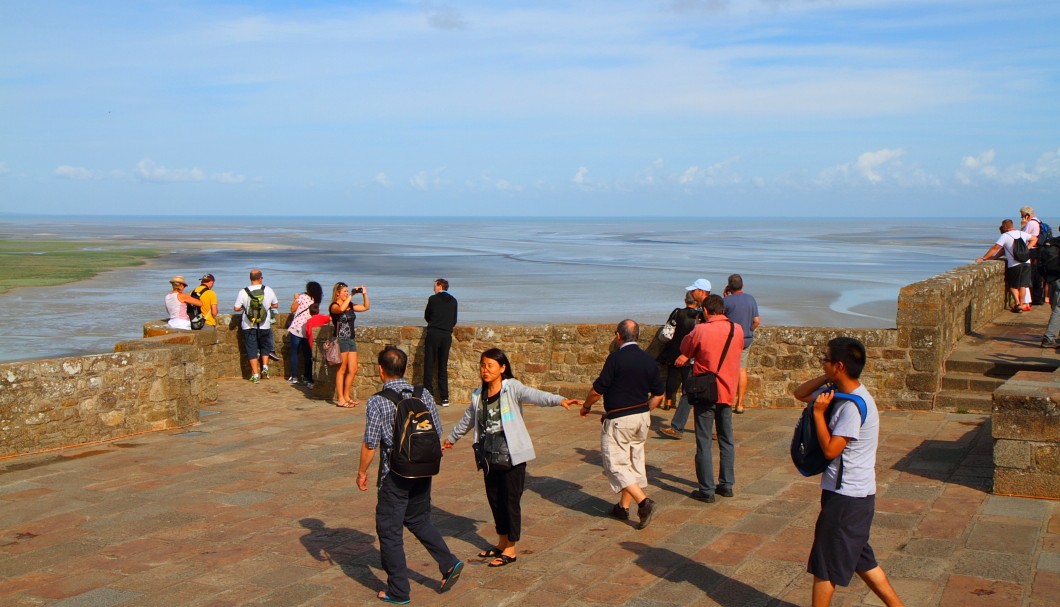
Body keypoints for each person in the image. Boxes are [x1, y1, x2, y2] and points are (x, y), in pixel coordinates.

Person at [792, 337, 904, 607]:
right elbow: (800, 393)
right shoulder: (842, 394)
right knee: (861, 558)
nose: (822, 362)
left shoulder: (852, 406)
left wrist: (819, 416)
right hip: (852, 495)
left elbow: (831, 450)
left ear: (840, 365)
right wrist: (828, 376)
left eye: (825, 359)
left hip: (847, 496)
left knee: (825, 565)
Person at [443, 348, 579, 568]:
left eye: (490, 365)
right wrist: (452, 438)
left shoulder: (511, 388)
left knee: (510, 501)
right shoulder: (479, 394)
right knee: (495, 500)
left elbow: (535, 395)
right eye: (482, 365)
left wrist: (559, 400)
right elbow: (469, 418)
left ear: (502, 368)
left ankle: (511, 549)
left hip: (512, 456)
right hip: (488, 456)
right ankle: (501, 542)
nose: (485, 370)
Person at [356, 346, 464, 604]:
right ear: (404, 369)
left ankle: (399, 591)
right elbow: (437, 431)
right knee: (418, 519)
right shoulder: (423, 393)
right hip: (423, 470)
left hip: (395, 475)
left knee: (390, 531)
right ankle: (449, 562)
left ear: (380, 370)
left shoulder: (377, 401)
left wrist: (362, 473)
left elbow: (371, 443)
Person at [580, 320, 665, 530]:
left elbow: (597, 389)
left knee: (615, 464)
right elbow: (659, 395)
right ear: (637, 336)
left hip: (620, 420)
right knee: (632, 461)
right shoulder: (648, 359)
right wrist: (644, 410)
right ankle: (622, 507)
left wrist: (587, 406)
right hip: (642, 418)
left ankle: (643, 502)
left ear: (618, 336)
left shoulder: (616, 358)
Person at [677, 294, 743, 503]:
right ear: (722, 310)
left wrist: (698, 325)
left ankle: (706, 489)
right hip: (727, 392)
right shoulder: (737, 329)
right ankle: (726, 484)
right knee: (726, 439)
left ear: (705, 311)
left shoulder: (701, 329)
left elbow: (685, 349)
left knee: (704, 440)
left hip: (706, 391)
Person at [656, 280, 712, 440]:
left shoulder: (707, 310)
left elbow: (702, 336)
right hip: (698, 359)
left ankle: (680, 427)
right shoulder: (704, 309)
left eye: (694, 290)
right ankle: (678, 427)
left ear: (701, 291)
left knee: (699, 393)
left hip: (700, 359)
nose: (692, 294)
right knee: (692, 392)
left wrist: (687, 355)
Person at [976, 219, 1035, 312]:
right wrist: (1026, 250)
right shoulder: (1021, 233)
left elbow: (996, 247)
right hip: (1026, 262)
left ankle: (1017, 304)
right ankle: (1022, 303)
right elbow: (1035, 238)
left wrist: (984, 258)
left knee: (1012, 285)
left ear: (1005, 227)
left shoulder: (1005, 236)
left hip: (1014, 264)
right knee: (1023, 285)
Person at [232, 269, 279, 383]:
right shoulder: (268, 290)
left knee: (251, 349)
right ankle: (265, 368)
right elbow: (276, 305)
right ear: (261, 278)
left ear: (250, 278)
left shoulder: (243, 291)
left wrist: (246, 307)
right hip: (264, 324)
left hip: (249, 324)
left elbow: (236, 308)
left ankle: (256, 375)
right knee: (265, 346)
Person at [656, 290, 700, 410]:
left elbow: (667, 332)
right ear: (697, 302)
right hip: (689, 351)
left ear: (685, 300)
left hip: (674, 348)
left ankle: (668, 402)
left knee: (672, 376)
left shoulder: (677, 312)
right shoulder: (699, 316)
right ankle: (684, 405)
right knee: (687, 378)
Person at [723, 274, 760, 414]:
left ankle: (727, 401)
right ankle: (740, 404)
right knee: (741, 370)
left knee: (727, 370)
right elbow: (756, 320)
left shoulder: (726, 301)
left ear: (729, 286)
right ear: (742, 285)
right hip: (746, 338)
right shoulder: (751, 299)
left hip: (730, 340)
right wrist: (750, 330)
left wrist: (725, 297)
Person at [329, 281, 370, 407]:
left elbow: (366, 307)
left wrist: (364, 294)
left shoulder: (350, 305)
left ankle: (346, 395)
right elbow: (340, 310)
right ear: (338, 293)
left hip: (351, 339)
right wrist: (351, 295)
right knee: (341, 369)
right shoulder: (334, 306)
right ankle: (341, 399)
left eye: (348, 291)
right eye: (345, 292)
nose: (347, 293)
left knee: (353, 369)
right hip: (341, 339)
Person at [423, 278, 458, 406]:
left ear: (439, 286)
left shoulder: (433, 299)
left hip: (433, 333)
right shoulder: (453, 301)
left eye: (434, 285)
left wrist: (434, 323)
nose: (433, 288)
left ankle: (428, 395)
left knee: (429, 364)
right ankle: (444, 398)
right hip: (446, 335)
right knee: (442, 366)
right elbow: (454, 320)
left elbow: (427, 316)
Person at [287, 281, 323, 386]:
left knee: (294, 353)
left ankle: (294, 376)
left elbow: (292, 309)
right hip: (308, 329)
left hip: (297, 328)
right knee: (308, 355)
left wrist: (295, 298)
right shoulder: (316, 301)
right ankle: (306, 377)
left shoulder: (302, 297)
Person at [1021, 205, 1048, 305]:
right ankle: (1037, 297)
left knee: (1032, 274)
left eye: (1022, 216)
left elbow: (1022, 236)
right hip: (1039, 250)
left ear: (1027, 215)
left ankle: (1033, 298)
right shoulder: (1038, 221)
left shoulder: (1031, 223)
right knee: (1037, 274)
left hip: (1032, 250)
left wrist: (1023, 225)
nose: (1022, 218)